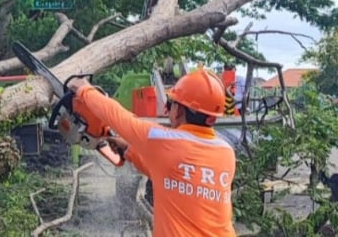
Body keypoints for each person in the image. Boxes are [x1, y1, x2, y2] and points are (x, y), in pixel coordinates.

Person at [68, 68, 237, 237]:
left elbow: (118, 117)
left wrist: (84, 89)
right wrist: (130, 151)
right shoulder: (226, 152)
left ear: (178, 110)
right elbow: (171, 174)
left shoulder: (164, 140)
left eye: (171, 104)